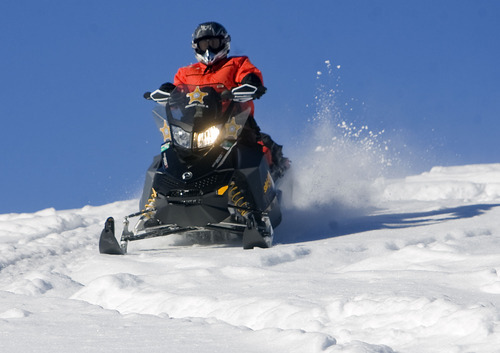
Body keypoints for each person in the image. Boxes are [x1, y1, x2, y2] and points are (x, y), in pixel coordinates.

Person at [157, 21, 289, 178]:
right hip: (194, 126)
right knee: (169, 151)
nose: (209, 49)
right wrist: (169, 92)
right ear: (196, 46)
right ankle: (161, 188)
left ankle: (269, 182)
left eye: (213, 43)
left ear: (224, 43)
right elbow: (177, 91)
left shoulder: (236, 63)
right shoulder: (186, 72)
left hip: (233, 124)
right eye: (204, 44)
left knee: (260, 147)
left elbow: (249, 73)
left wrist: (251, 81)